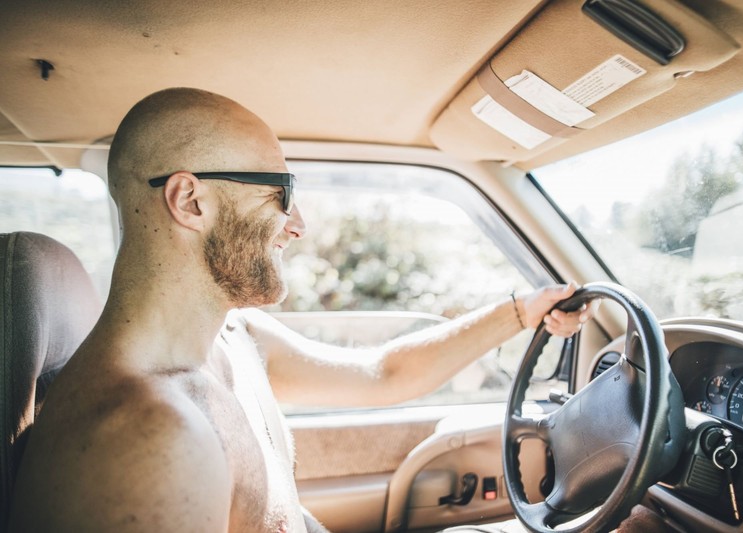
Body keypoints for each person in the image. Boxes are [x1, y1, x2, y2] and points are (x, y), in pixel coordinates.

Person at [9, 88, 591, 532]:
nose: (299, 224)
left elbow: (384, 373)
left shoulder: (234, 336)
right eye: (281, 190)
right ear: (190, 201)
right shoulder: (148, 441)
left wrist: (520, 311)